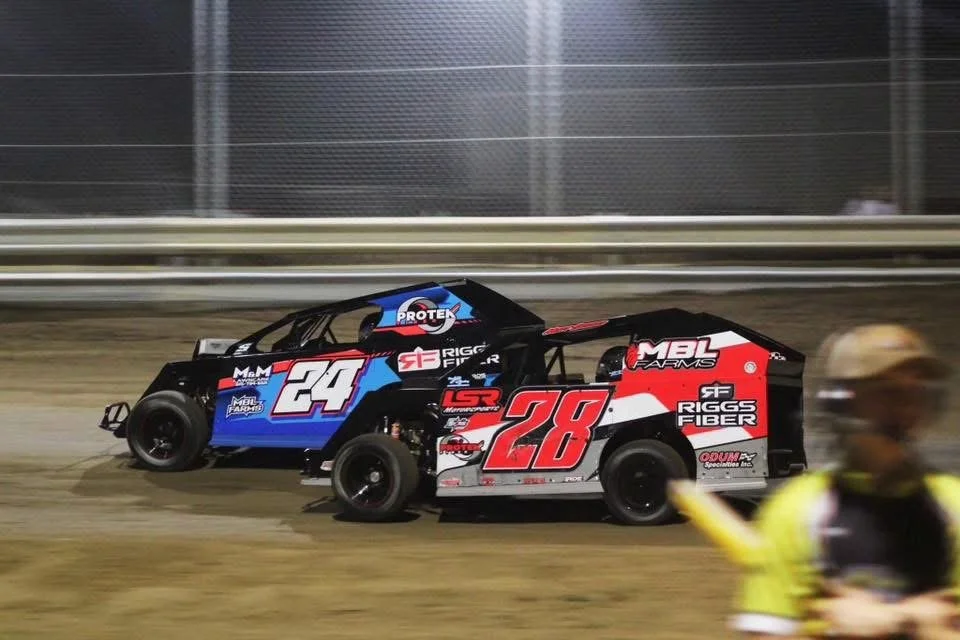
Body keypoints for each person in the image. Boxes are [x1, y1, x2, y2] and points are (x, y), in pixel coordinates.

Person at [730, 323, 960, 639]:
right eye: (888, 393)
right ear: (843, 403)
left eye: (916, 392)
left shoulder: (953, 506)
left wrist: (903, 622)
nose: (907, 409)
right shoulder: (797, 511)